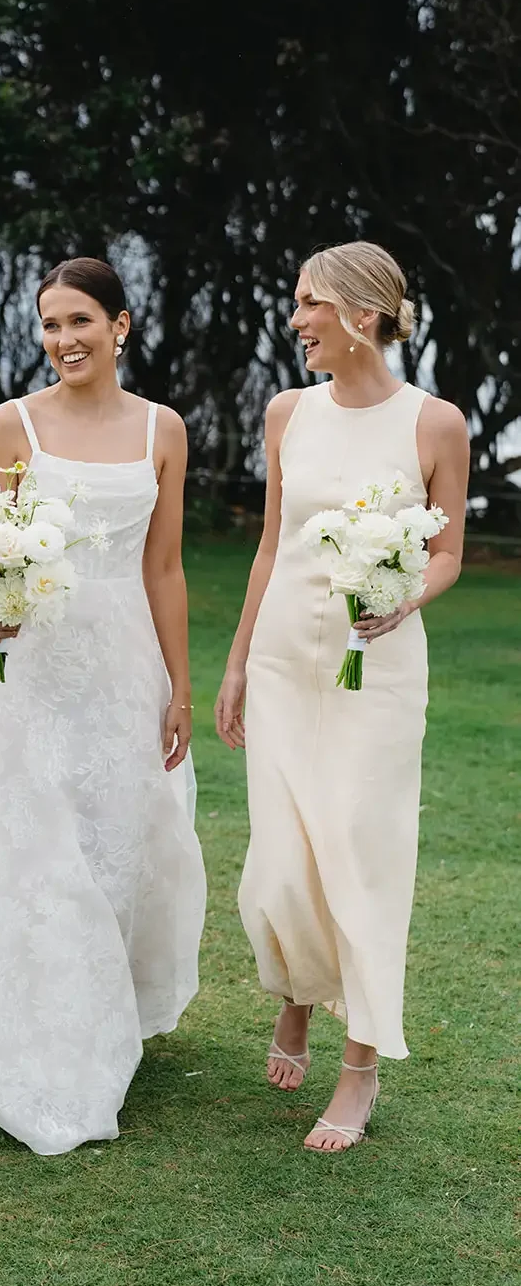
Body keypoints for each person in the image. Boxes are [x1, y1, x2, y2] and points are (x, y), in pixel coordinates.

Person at [0, 257, 206, 1155]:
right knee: (36, 855)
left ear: (120, 325)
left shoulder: (164, 429)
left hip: (123, 670)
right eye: (49, 324)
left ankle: (101, 1031)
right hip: (29, 669)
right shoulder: (15, 424)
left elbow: (163, 566)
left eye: (79, 320)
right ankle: (32, 1056)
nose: (63, 339)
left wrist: (180, 684)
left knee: (112, 853)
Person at [214, 241, 469, 1151]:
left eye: (308, 305)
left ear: (361, 313)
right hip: (286, 658)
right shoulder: (287, 411)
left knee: (361, 856)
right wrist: (239, 661)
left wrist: (408, 597)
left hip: (380, 673)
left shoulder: (434, 422)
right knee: (283, 858)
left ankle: (357, 1067)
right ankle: (297, 993)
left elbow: (446, 552)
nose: (295, 321)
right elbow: (270, 544)